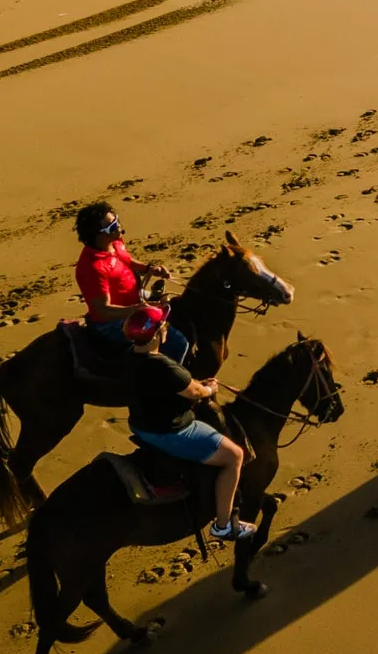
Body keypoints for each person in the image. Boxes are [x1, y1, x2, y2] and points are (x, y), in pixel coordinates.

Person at [121, 305, 254, 542]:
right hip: (172, 431)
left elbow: (177, 384)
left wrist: (195, 385)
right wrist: (209, 388)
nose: (166, 327)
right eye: (163, 325)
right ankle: (224, 525)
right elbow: (195, 393)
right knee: (234, 455)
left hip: (140, 425)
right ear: (155, 334)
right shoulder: (164, 366)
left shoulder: (128, 356)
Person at [74, 204, 187, 363]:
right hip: (112, 323)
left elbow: (126, 259)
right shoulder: (93, 268)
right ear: (98, 235)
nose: (119, 226)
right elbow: (103, 311)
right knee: (177, 344)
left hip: (136, 300)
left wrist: (149, 269)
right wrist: (138, 310)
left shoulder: (114, 242)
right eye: (112, 226)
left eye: (117, 220)